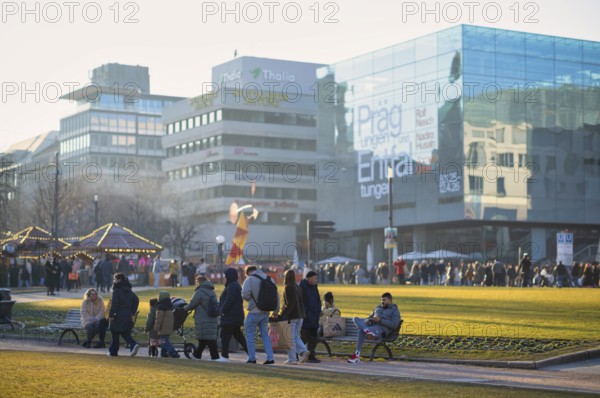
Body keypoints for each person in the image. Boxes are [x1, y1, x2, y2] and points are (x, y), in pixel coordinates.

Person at [348, 292, 401, 364]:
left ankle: (357, 356)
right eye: (381, 300)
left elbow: (394, 325)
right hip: (371, 327)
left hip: (381, 331)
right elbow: (370, 317)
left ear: (390, 300)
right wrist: (368, 320)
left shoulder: (394, 311)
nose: (382, 302)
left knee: (360, 331)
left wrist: (380, 320)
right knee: (355, 319)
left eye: (384, 300)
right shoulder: (377, 308)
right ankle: (368, 332)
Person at [241, 265, 279, 364]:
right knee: (265, 335)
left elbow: (245, 294)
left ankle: (252, 358)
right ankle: (270, 358)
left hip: (254, 311)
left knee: (250, 335)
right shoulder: (270, 279)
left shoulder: (249, 279)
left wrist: (249, 299)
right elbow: (276, 296)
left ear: (249, 272)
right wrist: (275, 311)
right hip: (266, 312)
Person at [184, 274, 223, 361]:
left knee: (209, 340)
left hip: (203, 319)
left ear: (199, 282)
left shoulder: (200, 292)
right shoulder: (212, 291)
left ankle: (215, 357)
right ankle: (197, 355)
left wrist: (183, 309)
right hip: (212, 317)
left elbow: (192, 304)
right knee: (204, 338)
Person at [278, 269, 310, 365]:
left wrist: (283, 314)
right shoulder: (297, 286)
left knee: (290, 338)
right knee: (295, 336)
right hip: (300, 315)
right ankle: (303, 351)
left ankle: (292, 359)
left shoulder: (288, 287)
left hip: (292, 316)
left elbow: (290, 303)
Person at [107, 273, 140, 357]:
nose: (113, 281)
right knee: (123, 332)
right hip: (127, 315)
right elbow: (136, 300)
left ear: (119, 280)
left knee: (114, 332)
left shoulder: (116, 291)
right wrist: (132, 311)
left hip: (117, 315)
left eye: (115, 279)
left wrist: (111, 315)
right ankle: (133, 345)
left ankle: (113, 351)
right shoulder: (129, 290)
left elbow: (114, 304)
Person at [219, 267, 248, 359]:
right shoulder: (234, 285)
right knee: (238, 336)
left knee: (225, 336)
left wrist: (222, 311)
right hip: (235, 316)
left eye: (225, 276)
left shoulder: (232, 286)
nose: (224, 278)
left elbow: (229, 301)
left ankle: (224, 356)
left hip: (230, 316)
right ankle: (251, 354)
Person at [300, 270, 321, 363]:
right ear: (309, 278)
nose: (316, 280)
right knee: (304, 337)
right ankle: (299, 354)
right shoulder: (303, 287)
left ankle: (311, 355)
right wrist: (305, 313)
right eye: (314, 278)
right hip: (305, 318)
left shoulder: (315, 287)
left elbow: (318, 301)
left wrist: (318, 311)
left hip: (314, 317)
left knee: (314, 337)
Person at [155, 291, 180, 358]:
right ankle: (163, 354)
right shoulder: (169, 306)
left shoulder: (160, 306)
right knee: (164, 340)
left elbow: (159, 319)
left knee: (163, 342)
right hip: (169, 327)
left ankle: (173, 352)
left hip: (163, 327)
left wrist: (156, 328)